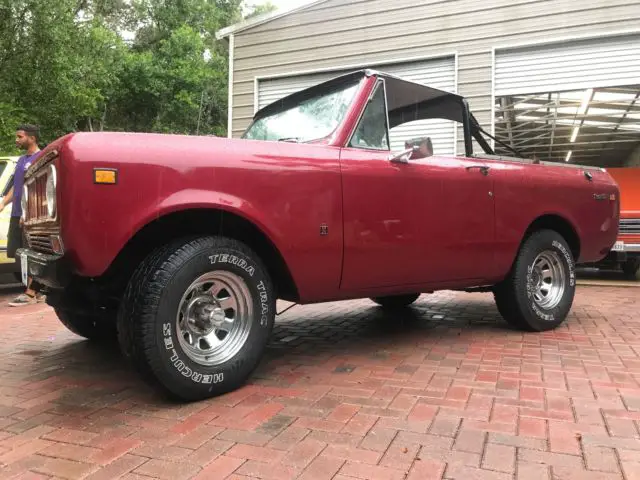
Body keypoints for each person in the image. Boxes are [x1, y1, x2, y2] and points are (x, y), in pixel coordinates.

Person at [0, 124, 45, 306]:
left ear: (31, 138)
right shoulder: (21, 161)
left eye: (20, 136)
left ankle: (31, 293)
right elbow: (16, 187)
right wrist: (3, 202)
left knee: (31, 253)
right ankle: (36, 291)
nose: (17, 140)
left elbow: (39, 190)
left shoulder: (40, 158)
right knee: (17, 252)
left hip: (30, 215)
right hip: (17, 213)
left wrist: (27, 213)